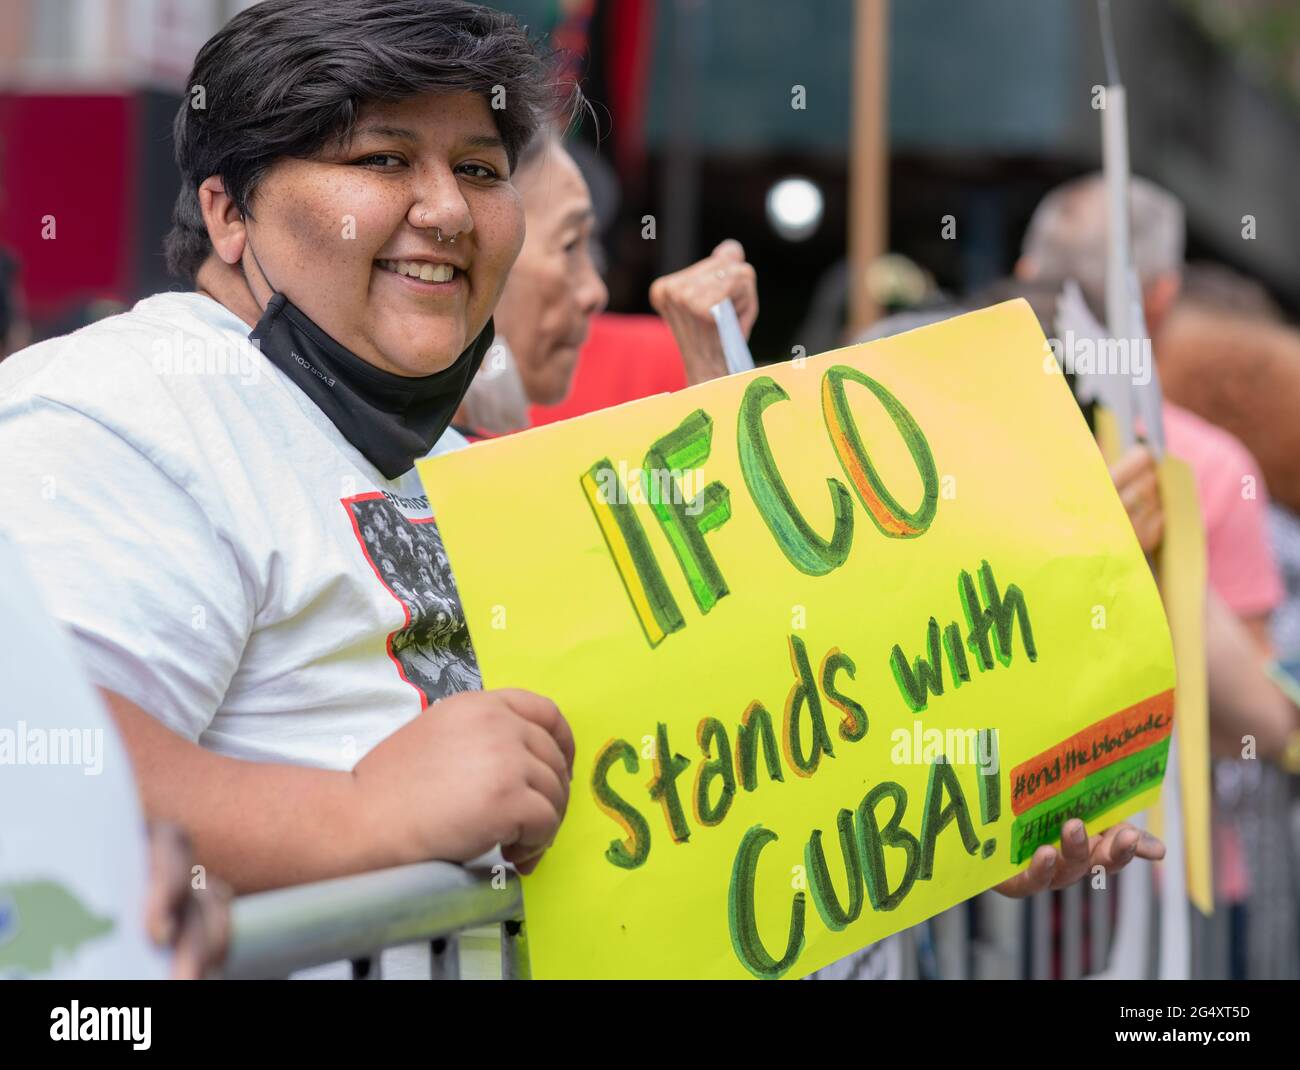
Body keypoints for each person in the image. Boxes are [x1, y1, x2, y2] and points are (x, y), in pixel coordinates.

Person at [0, 0, 574, 895]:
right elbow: (35, 752)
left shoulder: (459, 461)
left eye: (480, 168)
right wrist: (363, 811)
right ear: (229, 212)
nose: (451, 210)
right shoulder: (118, 409)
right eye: (382, 159)